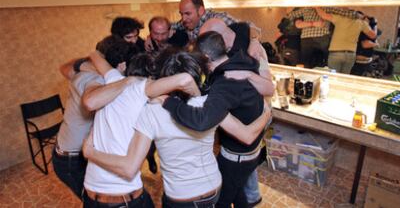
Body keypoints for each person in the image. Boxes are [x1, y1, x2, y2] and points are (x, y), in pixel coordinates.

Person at [82, 49, 271, 207]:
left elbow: (129, 166)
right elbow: (247, 136)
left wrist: (90, 152)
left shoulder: (152, 112)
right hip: (213, 188)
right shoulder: (208, 105)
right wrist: (266, 115)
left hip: (182, 197)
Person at [82, 38, 201, 208]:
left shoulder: (114, 80)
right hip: (122, 198)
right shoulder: (142, 89)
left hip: (91, 194)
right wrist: (198, 104)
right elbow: (185, 80)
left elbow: (95, 55)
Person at [162, 32, 265, 207]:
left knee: (222, 201)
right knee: (237, 191)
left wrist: (168, 101)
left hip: (237, 157)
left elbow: (202, 121)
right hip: (252, 151)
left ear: (207, 58)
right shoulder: (238, 62)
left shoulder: (225, 83)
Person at [52, 37, 139, 199]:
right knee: (94, 201)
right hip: (71, 159)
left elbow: (65, 68)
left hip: (76, 151)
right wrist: (128, 81)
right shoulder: (95, 79)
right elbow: (91, 101)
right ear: (121, 65)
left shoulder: (88, 71)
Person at [287, 7, 357, 68]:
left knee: (326, 62)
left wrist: (357, 15)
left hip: (320, 37)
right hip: (308, 37)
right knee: (305, 62)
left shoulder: (327, 8)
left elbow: (348, 14)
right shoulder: (306, 9)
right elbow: (290, 16)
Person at [314, 7, 376, 74]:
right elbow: (373, 35)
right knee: (344, 78)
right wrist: (375, 24)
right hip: (350, 55)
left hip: (336, 53)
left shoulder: (340, 18)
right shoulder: (361, 23)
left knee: (333, 77)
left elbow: (323, 15)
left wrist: (316, 6)